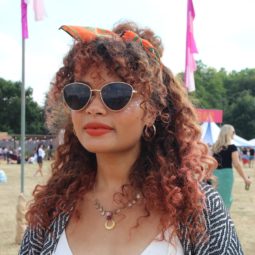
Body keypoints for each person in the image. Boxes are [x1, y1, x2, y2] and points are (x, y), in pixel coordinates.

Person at [19, 22, 244, 255]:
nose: (94, 108)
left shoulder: (199, 210)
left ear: (151, 111)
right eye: (79, 94)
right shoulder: (51, 209)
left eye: (116, 93)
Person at [212, 125, 251, 209]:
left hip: (214, 175)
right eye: (233, 132)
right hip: (226, 175)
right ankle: (224, 220)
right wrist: (245, 178)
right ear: (229, 133)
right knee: (225, 201)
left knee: (215, 200)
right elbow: (236, 164)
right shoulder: (232, 148)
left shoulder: (214, 147)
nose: (234, 134)